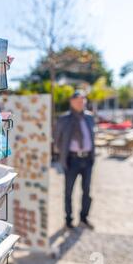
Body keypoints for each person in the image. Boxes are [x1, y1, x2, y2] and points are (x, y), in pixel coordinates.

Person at [54, 91, 95, 230]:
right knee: (68, 192)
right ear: (71, 102)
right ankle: (68, 220)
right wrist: (64, 155)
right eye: (78, 100)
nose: (81, 102)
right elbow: (57, 140)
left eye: (83, 100)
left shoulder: (89, 117)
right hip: (72, 160)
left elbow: (91, 136)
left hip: (88, 159)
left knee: (87, 191)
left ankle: (84, 217)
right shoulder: (64, 119)